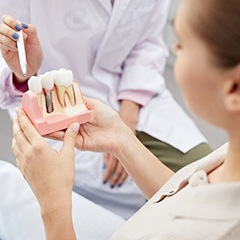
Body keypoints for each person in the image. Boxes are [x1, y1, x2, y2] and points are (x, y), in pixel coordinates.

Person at [10, 0, 240, 239]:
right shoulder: (227, 161)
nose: (173, 49)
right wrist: (121, 139)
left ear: (233, 88)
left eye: (181, 44)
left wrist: (54, 205)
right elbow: (185, 201)